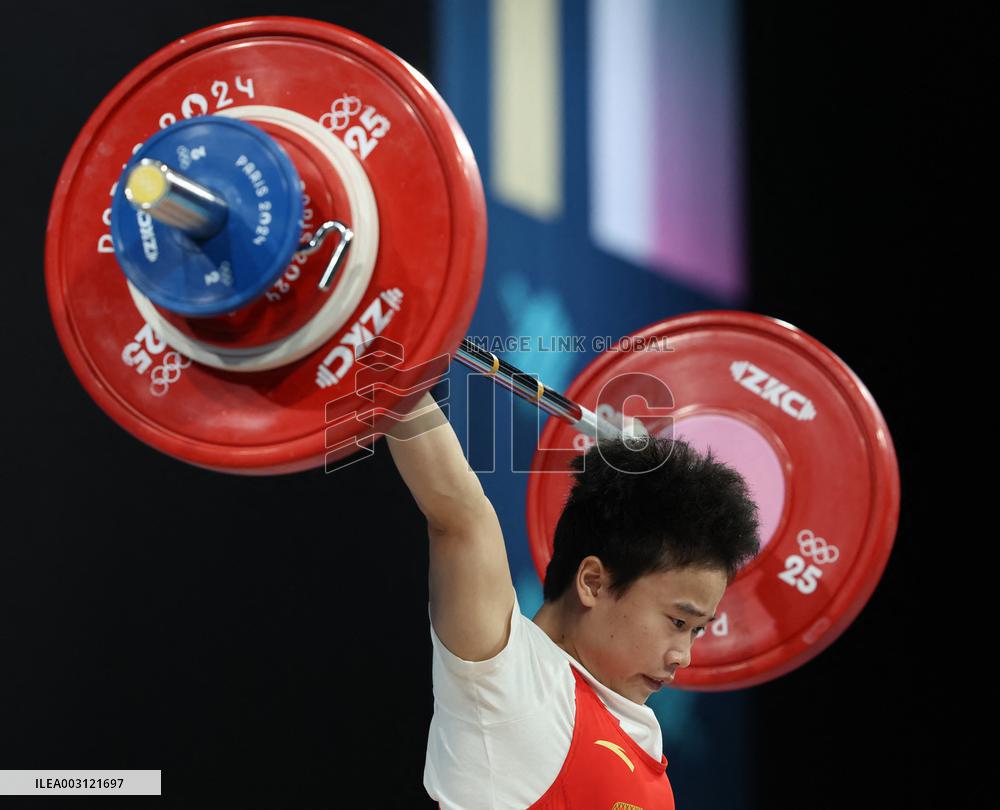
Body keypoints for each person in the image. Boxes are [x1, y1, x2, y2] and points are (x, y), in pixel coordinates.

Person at [386, 390, 760, 809]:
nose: (684, 657)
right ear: (593, 583)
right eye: (677, 622)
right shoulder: (514, 686)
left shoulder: (635, 730)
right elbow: (459, 517)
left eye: (696, 631)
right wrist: (387, 360)